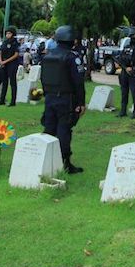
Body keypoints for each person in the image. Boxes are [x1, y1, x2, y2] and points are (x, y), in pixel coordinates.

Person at [40, 26, 87, 173]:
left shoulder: (48, 56)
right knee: (64, 131)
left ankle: (45, 158)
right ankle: (65, 163)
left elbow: (43, 78)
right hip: (66, 99)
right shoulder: (71, 57)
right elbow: (78, 82)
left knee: (49, 129)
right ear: (72, 40)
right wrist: (81, 103)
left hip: (50, 98)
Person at [118, 27, 135, 118]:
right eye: (132, 36)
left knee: (134, 92)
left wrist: (133, 69)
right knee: (124, 92)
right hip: (124, 72)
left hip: (134, 74)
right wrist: (125, 68)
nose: (133, 37)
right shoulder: (126, 47)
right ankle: (123, 110)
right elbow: (121, 58)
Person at [0, 27, 21, 106]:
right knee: (4, 82)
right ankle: (2, 99)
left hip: (12, 63)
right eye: (7, 33)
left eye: (9, 33)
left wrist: (5, 61)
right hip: (4, 63)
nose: (8, 35)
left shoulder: (15, 43)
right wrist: (1, 61)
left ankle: (13, 101)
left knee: (12, 82)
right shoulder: (4, 42)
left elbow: (16, 54)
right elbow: (0, 51)